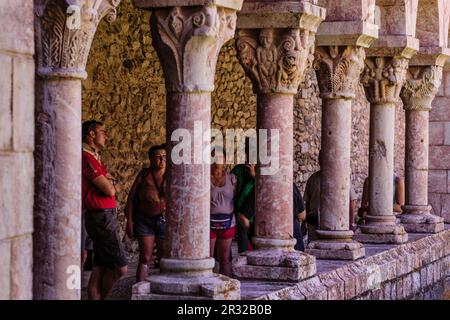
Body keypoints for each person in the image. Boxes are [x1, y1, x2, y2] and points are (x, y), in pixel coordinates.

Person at [82, 120, 128, 300]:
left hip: (103, 216)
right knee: (121, 268)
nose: (106, 136)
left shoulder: (95, 156)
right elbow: (110, 189)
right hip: (101, 218)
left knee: (99, 268)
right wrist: (113, 184)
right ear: (91, 134)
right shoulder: (87, 158)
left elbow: (112, 180)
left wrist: (112, 182)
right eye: (103, 131)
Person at [233, 163, 307, 252]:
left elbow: (243, 219)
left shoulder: (261, 188)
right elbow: (302, 216)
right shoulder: (291, 186)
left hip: (267, 246)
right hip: (294, 245)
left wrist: (253, 230)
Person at [125, 144, 166, 283]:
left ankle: (163, 291)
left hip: (164, 221)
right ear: (150, 159)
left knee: (163, 259)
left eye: (164, 157)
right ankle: (139, 291)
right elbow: (131, 199)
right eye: (158, 157)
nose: (162, 160)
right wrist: (129, 222)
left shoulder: (172, 175)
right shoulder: (144, 175)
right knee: (145, 258)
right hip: (144, 220)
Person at [210, 147, 237, 277]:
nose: (217, 160)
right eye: (214, 157)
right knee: (207, 259)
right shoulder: (204, 179)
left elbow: (237, 199)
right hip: (208, 223)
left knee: (225, 258)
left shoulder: (232, 179)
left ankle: (226, 290)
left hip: (228, 222)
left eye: (220, 157)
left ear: (225, 160)